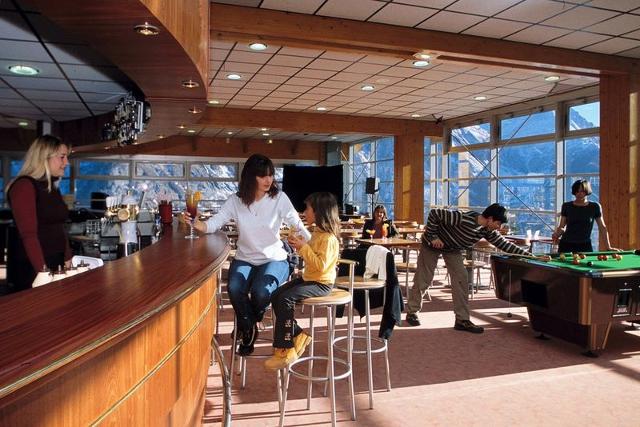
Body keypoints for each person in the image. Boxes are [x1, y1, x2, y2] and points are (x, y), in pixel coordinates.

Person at [186, 154, 310, 356]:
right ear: (250, 177)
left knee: (262, 292)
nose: (268, 180)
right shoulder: (236, 201)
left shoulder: (279, 198)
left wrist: (314, 244)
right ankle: (249, 326)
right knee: (234, 288)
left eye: (270, 175)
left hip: (274, 258)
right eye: (262, 176)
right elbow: (213, 224)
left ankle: (246, 325)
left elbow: (298, 225)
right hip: (245, 258)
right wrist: (196, 223)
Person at [405, 203, 548, 333]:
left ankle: (462, 320)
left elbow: (505, 245)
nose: (499, 227)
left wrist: (532, 257)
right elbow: (435, 213)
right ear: (490, 219)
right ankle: (412, 312)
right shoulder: (463, 218)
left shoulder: (487, 231)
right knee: (424, 278)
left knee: (461, 278)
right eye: (498, 223)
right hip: (431, 245)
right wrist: (433, 236)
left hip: (453, 249)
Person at [264, 192, 340, 370]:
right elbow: (311, 257)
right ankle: (297, 334)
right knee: (276, 295)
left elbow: (321, 266)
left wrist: (303, 247)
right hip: (309, 279)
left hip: (321, 284)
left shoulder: (328, 239)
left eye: (308, 209)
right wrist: (300, 246)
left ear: (319, 212)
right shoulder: (317, 234)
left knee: (285, 299)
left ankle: (285, 348)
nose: (304, 212)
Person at [6, 135, 72, 292]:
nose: (67, 162)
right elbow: (29, 235)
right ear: (44, 157)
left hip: (54, 260)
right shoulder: (24, 186)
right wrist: (43, 272)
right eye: (62, 157)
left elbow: (58, 227)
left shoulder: (50, 186)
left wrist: (68, 258)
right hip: (33, 266)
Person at [552, 179, 619, 253]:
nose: (579, 194)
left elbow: (602, 227)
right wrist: (557, 235)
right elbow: (562, 226)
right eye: (577, 191)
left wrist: (608, 247)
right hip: (566, 244)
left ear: (587, 191)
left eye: (582, 191)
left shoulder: (594, 206)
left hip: (585, 245)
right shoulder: (566, 206)